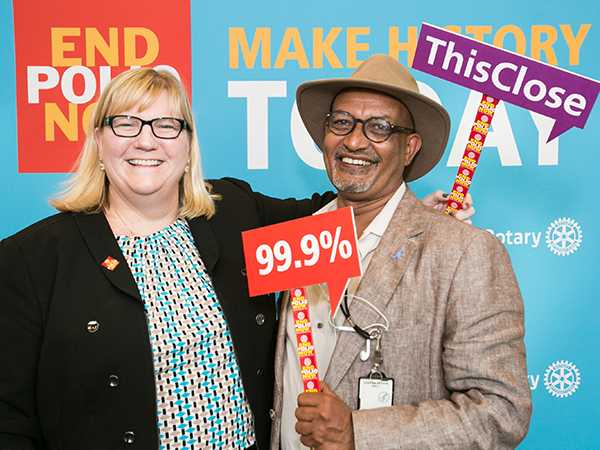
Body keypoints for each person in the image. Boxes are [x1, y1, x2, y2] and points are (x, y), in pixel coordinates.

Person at [0, 67, 472, 450]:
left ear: (187, 146)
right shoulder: (31, 259)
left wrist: (418, 216)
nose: (147, 141)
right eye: (126, 123)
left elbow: (336, 213)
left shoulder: (234, 213)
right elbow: (9, 418)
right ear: (99, 142)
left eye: (167, 125)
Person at [270, 55, 531, 450]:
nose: (354, 141)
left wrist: (359, 432)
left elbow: (500, 412)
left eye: (379, 128)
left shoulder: (465, 252)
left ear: (408, 147)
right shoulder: (295, 241)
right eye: (341, 122)